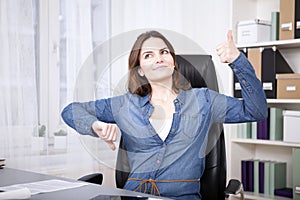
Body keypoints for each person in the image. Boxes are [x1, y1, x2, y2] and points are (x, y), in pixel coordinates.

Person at [61, 30, 267, 199]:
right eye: (148, 55)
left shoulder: (203, 100)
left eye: (164, 52)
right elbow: (71, 110)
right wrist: (94, 125)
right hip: (134, 196)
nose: (158, 58)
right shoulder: (125, 104)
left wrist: (238, 61)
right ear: (140, 70)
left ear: (173, 62)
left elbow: (256, 111)